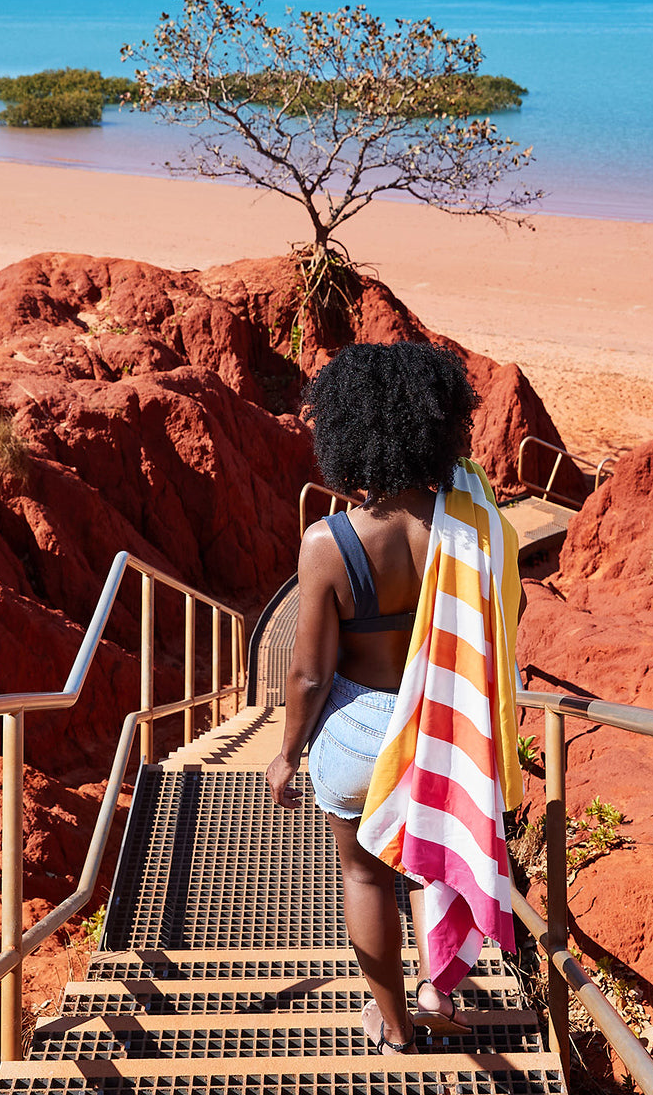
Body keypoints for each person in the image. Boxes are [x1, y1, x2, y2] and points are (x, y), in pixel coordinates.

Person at [266, 340, 511, 1056]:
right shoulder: (470, 529)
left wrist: (286, 755)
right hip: (444, 730)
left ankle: (395, 1025)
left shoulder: (328, 543)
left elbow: (308, 677)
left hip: (357, 738)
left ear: (344, 433)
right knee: (435, 860)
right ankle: (440, 987)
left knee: (365, 876)